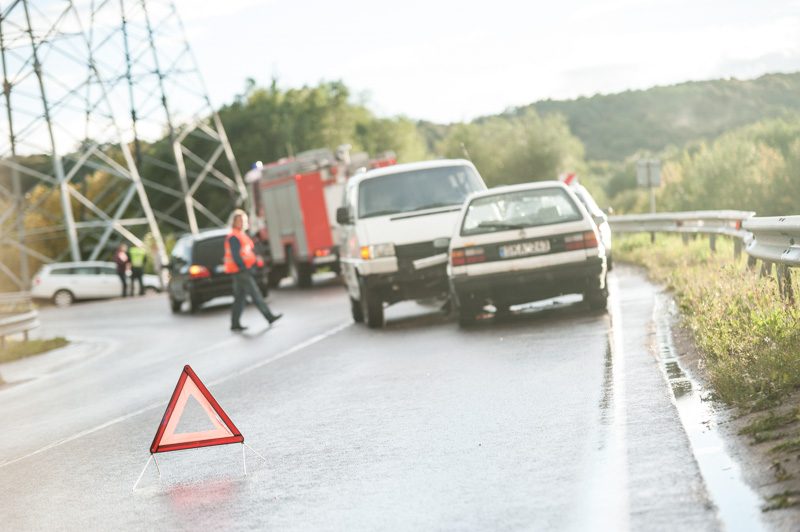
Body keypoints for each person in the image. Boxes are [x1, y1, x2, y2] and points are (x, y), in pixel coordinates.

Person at [224, 209, 282, 331]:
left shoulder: (240, 235)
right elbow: (236, 255)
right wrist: (244, 267)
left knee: (239, 298)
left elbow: (246, 252)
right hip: (241, 271)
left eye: (242, 220)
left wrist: (255, 261)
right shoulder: (234, 236)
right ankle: (269, 316)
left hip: (241, 270)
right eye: (238, 221)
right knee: (256, 295)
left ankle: (234, 323)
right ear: (233, 222)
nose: (241, 223)